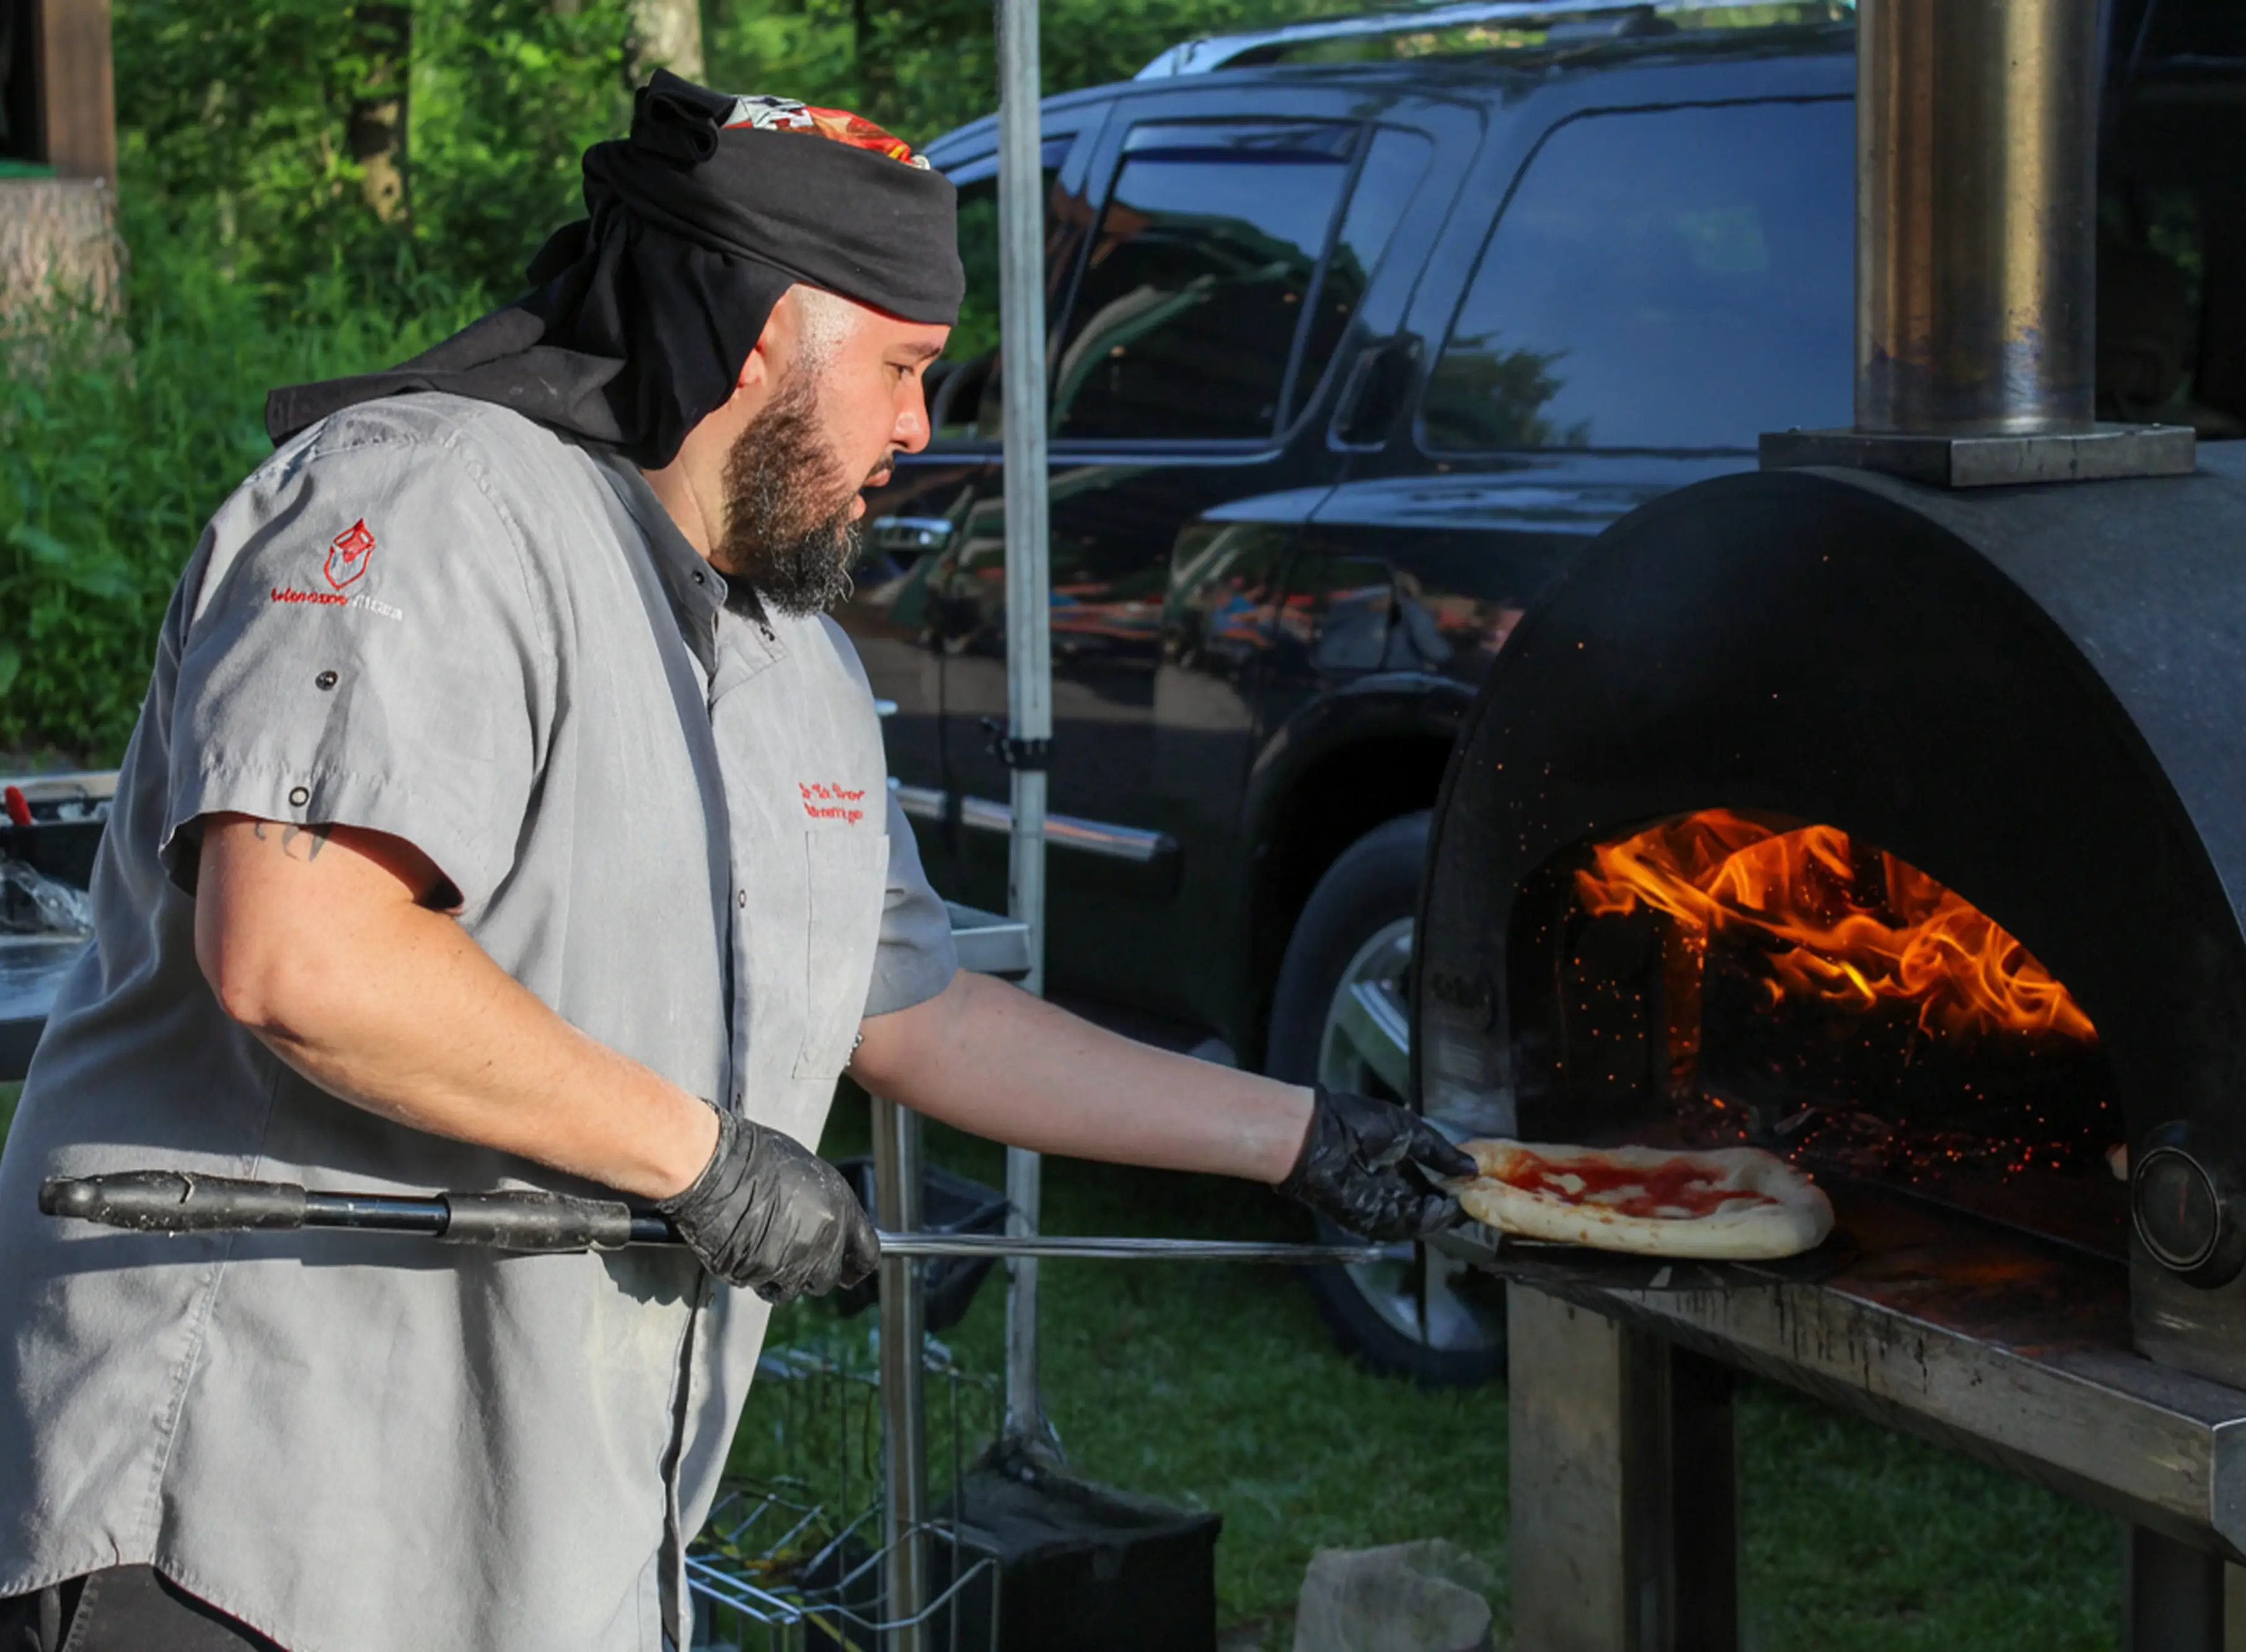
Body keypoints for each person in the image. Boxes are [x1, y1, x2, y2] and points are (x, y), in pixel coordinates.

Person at [0, 75, 1472, 1652]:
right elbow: (306, 952)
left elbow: (914, 1013)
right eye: (902, 369)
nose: (922, 425)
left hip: (543, 1552)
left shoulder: (794, 662)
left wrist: (1299, 1136)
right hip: (243, 1524)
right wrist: (699, 1157)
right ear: (763, 330)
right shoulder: (430, 500)